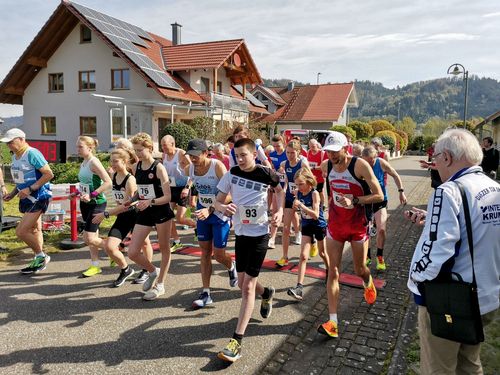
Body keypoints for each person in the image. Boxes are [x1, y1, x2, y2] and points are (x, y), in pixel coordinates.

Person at [406, 128, 500, 374]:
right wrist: (431, 221)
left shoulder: (448, 191)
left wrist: (415, 280)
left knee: (439, 369)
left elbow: (438, 253)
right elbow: (478, 232)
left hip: (452, 301)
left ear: (447, 157)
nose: (435, 163)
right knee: (469, 364)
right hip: (486, 295)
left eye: (435, 157)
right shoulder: (494, 188)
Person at [215, 138, 284, 363]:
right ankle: (267, 293)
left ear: (254, 154)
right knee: (244, 283)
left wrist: (280, 211)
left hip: (260, 235)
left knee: (246, 288)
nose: (240, 159)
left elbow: (280, 191)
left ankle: (236, 341)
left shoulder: (267, 173)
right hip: (242, 235)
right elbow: (216, 202)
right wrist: (223, 207)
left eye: (244, 155)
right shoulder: (232, 173)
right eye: (237, 155)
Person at [318, 131, 383, 338]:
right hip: (336, 224)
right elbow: (325, 189)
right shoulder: (326, 166)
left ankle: (367, 281)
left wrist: (354, 201)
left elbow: (379, 195)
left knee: (359, 269)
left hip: (357, 225)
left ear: (345, 148)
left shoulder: (359, 166)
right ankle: (333, 322)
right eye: (328, 152)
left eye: (335, 151)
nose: (331, 156)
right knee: (333, 271)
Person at [182, 139, 238, 309]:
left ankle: (231, 265)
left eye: (195, 155)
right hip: (203, 214)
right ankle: (206, 292)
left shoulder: (217, 166)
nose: (192, 158)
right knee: (205, 252)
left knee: (219, 255)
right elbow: (192, 183)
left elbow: (231, 193)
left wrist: (213, 207)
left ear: (206, 152)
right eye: (189, 155)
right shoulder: (190, 168)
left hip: (220, 214)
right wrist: (190, 195)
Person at [128, 132, 174, 300]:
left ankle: (160, 285)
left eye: (140, 150)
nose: (138, 154)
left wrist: (150, 201)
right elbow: (140, 192)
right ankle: (153, 271)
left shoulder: (159, 167)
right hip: (145, 212)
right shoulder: (136, 167)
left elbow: (168, 197)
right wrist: (132, 199)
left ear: (150, 148)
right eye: (135, 150)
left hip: (161, 211)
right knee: (132, 252)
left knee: (164, 249)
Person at [1, 128, 54, 274]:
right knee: (34, 229)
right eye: (7, 143)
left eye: (11, 142)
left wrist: (31, 189)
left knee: (21, 231)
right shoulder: (15, 156)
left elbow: (49, 174)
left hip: (39, 196)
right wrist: (12, 193)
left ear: (21, 139)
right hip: (26, 197)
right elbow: (20, 180)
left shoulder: (32, 153)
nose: (8, 146)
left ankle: (41, 256)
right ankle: (38, 259)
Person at [92, 148, 146, 287]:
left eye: (116, 161)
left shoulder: (130, 180)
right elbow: (118, 200)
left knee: (145, 244)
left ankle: (146, 270)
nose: (113, 164)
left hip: (135, 216)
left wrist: (106, 214)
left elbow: (128, 205)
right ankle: (125, 269)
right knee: (110, 247)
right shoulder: (115, 176)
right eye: (111, 161)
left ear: (125, 161)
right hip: (123, 217)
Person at [361, 146, 407, 270]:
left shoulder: (381, 163)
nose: (368, 164)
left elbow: (395, 175)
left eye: (370, 161)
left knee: (381, 229)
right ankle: (368, 256)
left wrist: (401, 191)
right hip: (366, 201)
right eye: (366, 161)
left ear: (375, 157)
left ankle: (380, 256)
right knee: (367, 231)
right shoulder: (360, 164)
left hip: (380, 200)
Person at [287, 167, 329, 300]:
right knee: (303, 256)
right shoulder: (298, 193)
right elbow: (298, 210)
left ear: (309, 182)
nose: (298, 187)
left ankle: (330, 271)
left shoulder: (314, 193)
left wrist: (301, 206)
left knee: (322, 253)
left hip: (318, 225)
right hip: (306, 226)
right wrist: (295, 207)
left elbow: (316, 215)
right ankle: (299, 287)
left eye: (301, 184)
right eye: (297, 184)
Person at [77, 136, 112, 277]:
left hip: (97, 203)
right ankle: (95, 265)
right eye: (77, 147)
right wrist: (76, 193)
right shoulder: (84, 162)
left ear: (90, 148)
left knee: (89, 238)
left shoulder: (94, 162)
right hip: (85, 203)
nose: (77, 149)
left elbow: (108, 182)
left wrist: (92, 195)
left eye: (80, 147)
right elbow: (85, 183)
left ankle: (114, 250)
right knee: (93, 237)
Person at [276, 140, 310, 267]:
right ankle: (285, 257)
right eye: (288, 152)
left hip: (303, 198)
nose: (290, 155)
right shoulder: (284, 163)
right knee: (285, 229)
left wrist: (301, 187)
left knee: (309, 226)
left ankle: (314, 243)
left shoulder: (303, 163)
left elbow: (312, 181)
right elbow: (285, 182)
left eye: (292, 153)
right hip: (290, 198)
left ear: (298, 152)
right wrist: (284, 190)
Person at [161, 135, 195, 251]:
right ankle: (177, 241)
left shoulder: (181, 153)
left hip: (182, 188)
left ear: (173, 144)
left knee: (180, 218)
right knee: (168, 216)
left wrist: (187, 187)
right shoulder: (164, 155)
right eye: (162, 146)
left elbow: (193, 171)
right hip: (171, 188)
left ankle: (197, 226)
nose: (163, 148)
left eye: (165, 146)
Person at [267, 134, 288, 249]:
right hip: (277, 187)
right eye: (274, 146)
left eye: (278, 146)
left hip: (288, 187)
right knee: (275, 210)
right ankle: (272, 238)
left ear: (283, 143)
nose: (276, 148)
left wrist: (284, 170)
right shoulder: (272, 154)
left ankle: (299, 233)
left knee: (290, 213)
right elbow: (271, 168)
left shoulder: (288, 153)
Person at [307, 139, 328, 207]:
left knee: (320, 191)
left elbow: (324, 166)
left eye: (313, 146)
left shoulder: (322, 153)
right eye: (310, 146)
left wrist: (313, 168)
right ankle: (314, 204)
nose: (311, 148)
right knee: (311, 191)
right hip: (311, 177)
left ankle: (323, 205)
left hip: (320, 177)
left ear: (317, 145)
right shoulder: (308, 152)